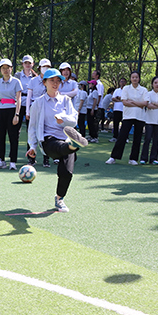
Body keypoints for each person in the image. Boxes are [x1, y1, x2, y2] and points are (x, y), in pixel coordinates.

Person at [26, 68, 89, 213]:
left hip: (66, 138)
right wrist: (33, 146)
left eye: (58, 81)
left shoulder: (66, 100)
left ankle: (59, 199)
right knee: (61, 147)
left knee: (67, 172)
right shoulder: (38, 103)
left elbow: (73, 120)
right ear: (44, 83)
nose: (55, 83)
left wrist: (63, 119)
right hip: (48, 140)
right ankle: (74, 145)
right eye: (52, 80)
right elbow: (32, 126)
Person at [106, 71, 147, 165]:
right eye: (133, 77)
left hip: (140, 117)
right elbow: (125, 102)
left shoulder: (144, 90)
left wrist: (132, 102)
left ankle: (133, 159)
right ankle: (113, 157)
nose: (135, 79)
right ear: (130, 78)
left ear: (139, 78)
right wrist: (138, 103)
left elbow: (145, 103)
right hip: (128, 116)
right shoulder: (126, 89)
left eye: (136, 77)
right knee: (122, 136)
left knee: (137, 138)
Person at [0, 58, 23, 170]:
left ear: (11, 69)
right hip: (1, 110)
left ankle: (13, 162)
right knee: (0, 136)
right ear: (0, 69)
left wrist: (17, 114)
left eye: (7, 68)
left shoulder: (16, 82)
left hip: (12, 110)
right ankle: (1, 161)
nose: (5, 70)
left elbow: (19, 99)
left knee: (13, 137)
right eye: (3, 68)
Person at [26, 58, 52, 167]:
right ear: (39, 68)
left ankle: (46, 159)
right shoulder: (33, 81)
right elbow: (29, 97)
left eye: (48, 67)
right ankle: (31, 158)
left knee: (46, 133)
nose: (45, 68)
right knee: (32, 132)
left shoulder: (51, 80)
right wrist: (27, 111)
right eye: (44, 67)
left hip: (46, 108)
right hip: (35, 107)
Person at [140, 76, 158, 165]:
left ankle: (154, 158)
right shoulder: (148, 94)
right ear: (152, 84)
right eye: (155, 83)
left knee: (156, 140)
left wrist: (154, 103)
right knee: (147, 139)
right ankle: (144, 158)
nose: (157, 84)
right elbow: (148, 105)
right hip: (149, 119)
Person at [110, 77, 125, 142]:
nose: (122, 83)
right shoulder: (117, 90)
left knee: (124, 125)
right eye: (121, 81)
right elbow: (113, 98)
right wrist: (119, 99)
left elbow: (125, 98)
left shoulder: (126, 90)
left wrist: (119, 98)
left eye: (123, 81)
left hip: (124, 109)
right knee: (115, 124)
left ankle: (124, 138)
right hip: (116, 109)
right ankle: (115, 136)